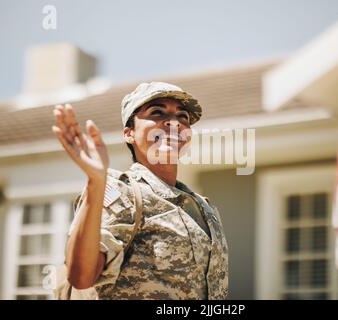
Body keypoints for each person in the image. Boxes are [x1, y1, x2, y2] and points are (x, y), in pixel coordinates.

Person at [52, 81, 229, 299]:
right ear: (129, 134)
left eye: (183, 116)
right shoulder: (121, 192)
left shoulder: (205, 208)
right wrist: (96, 181)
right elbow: (82, 276)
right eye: (157, 112)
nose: (174, 123)